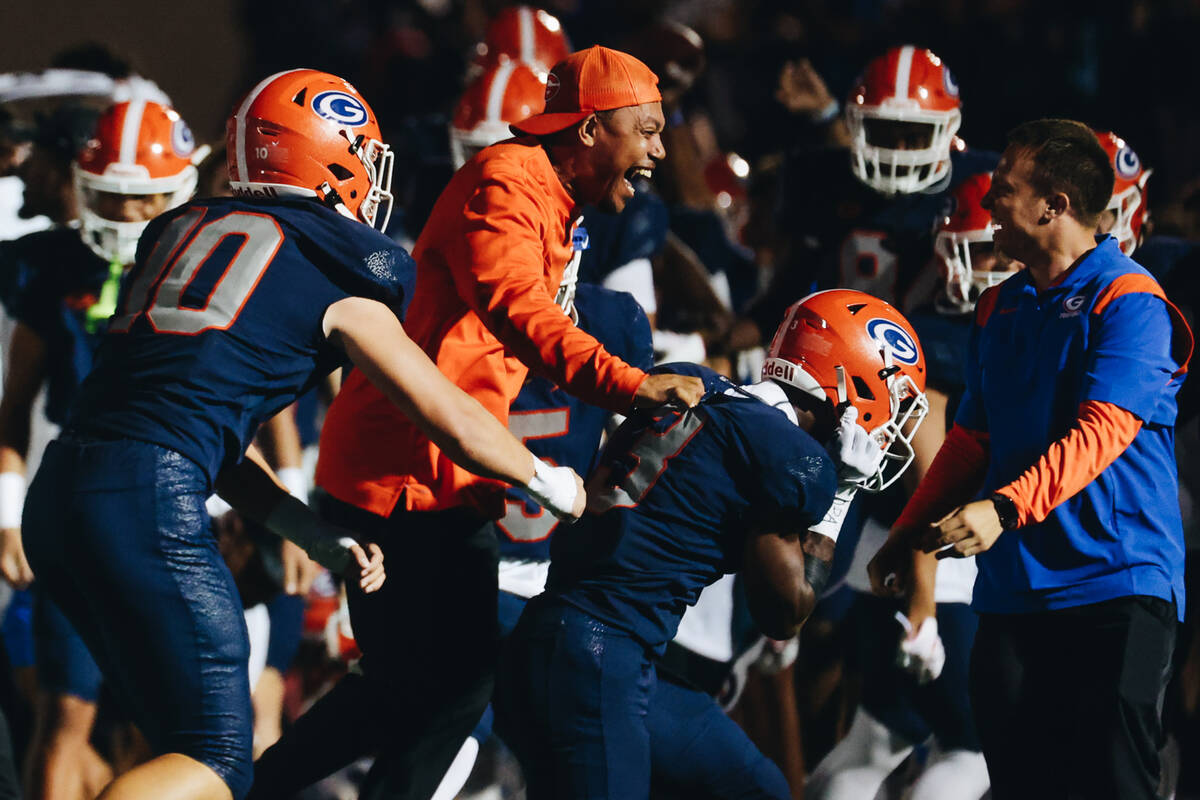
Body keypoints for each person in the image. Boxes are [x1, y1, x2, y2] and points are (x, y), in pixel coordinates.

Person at [20, 68, 585, 800]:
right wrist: (551, 482)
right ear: (335, 158)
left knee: (173, 747)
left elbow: (193, 432)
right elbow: (448, 416)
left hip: (63, 492)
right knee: (214, 757)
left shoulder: (179, 231)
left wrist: (307, 532)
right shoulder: (340, 267)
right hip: (146, 500)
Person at [308, 46, 702, 800]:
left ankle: (254, 785)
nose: (659, 148)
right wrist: (632, 384)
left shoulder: (555, 195)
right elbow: (521, 314)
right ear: (587, 129)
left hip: (438, 471)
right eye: (646, 130)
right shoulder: (508, 178)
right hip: (403, 475)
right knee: (446, 691)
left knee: (412, 695)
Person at [496, 289, 929, 799]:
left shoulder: (695, 381)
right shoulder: (792, 459)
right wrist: (840, 493)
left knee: (755, 789)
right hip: (597, 656)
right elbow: (786, 613)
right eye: (891, 407)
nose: (888, 430)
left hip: (575, 641)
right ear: (852, 384)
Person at [870, 118, 1192, 800]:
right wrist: (908, 534)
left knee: (1111, 787)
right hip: (1015, 594)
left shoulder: (1132, 299)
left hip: (1116, 587)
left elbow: (1103, 431)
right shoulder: (998, 307)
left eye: (1005, 191)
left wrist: (1004, 506)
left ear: (1055, 207)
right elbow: (972, 441)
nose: (987, 203)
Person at [808, 172, 1012, 800]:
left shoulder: (930, 323)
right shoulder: (965, 337)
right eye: (974, 249)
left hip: (882, 565)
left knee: (869, 745)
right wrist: (923, 605)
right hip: (947, 572)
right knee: (969, 755)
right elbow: (933, 469)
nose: (983, 265)